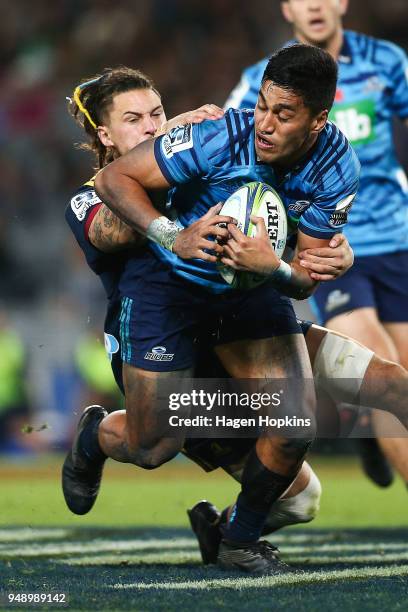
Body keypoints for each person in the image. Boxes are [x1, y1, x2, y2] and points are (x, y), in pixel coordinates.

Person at [64, 65, 408, 571]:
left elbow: (285, 244)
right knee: (155, 445)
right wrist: (181, 166)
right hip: (172, 332)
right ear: (106, 135)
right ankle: (97, 434)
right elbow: (114, 225)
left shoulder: (223, 150)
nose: (153, 127)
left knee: (304, 477)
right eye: (135, 120)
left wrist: (328, 254)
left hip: (243, 311)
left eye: (157, 113)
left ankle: (231, 535)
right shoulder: (93, 196)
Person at [225, 0, 408, 488]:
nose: (316, 5)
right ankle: (369, 415)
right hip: (323, 249)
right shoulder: (262, 84)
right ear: (287, 9)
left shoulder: (388, 63)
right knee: (383, 363)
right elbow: (226, 155)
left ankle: (365, 420)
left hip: (397, 240)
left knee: (403, 377)